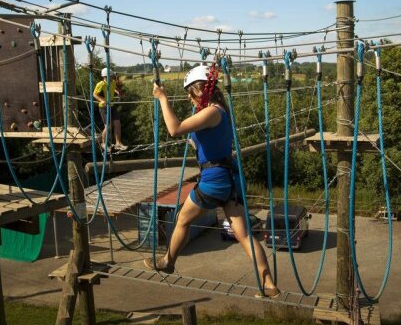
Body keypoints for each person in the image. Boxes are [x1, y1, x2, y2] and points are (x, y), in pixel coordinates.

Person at [146, 64, 280, 298]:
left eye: (190, 92)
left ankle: (168, 261)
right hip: (229, 179)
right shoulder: (218, 111)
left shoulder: (211, 112)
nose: (189, 97)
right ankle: (269, 284)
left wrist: (162, 98)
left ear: (199, 90)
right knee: (244, 235)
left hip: (214, 180)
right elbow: (211, 143)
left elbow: (174, 129)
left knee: (182, 219)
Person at [93, 68, 127, 151]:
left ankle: (118, 143)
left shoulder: (112, 83)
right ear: (106, 76)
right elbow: (95, 94)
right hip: (104, 107)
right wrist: (102, 100)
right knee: (108, 126)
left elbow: (114, 88)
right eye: (111, 76)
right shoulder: (101, 84)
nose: (112, 77)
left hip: (112, 105)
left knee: (117, 123)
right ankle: (103, 143)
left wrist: (118, 93)